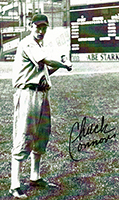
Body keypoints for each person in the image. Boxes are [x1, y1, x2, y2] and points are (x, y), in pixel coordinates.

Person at [9, 14, 72, 199]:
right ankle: (15, 184)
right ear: (30, 26)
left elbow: (45, 70)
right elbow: (46, 61)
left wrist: (61, 66)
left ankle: (35, 177)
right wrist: (64, 63)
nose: (41, 30)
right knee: (24, 134)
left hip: (42, 94)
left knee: (41, 134)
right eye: (37, 26)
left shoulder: (39, 46)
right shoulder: (28, 43)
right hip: (27, 94)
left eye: (44, 27)